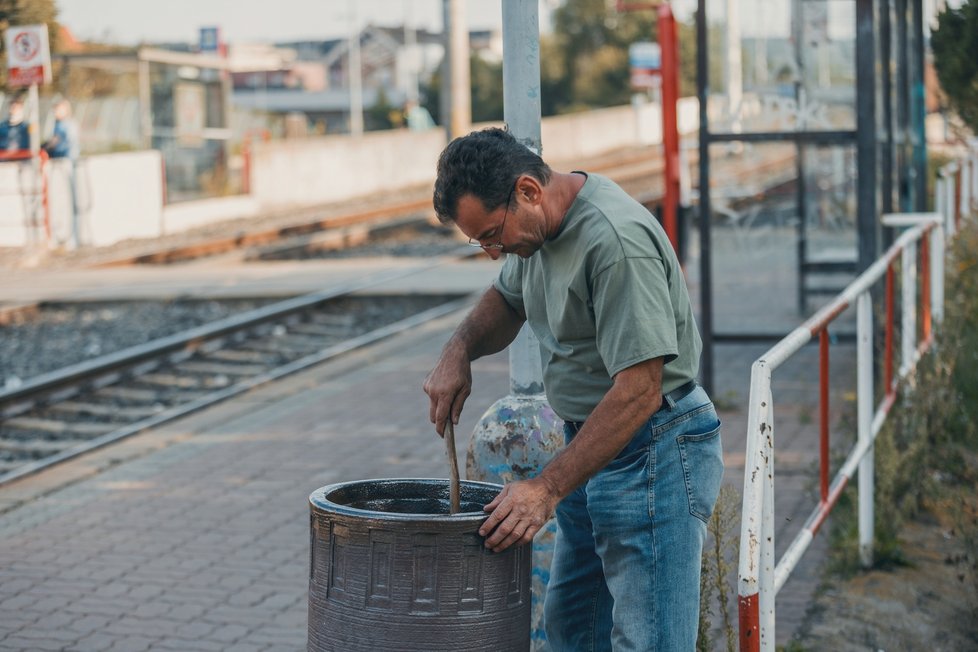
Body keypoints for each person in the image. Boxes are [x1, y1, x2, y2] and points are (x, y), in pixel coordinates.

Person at [423, 127, 723, 651]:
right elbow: (508, 299)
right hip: (591, 448)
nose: (494, 253)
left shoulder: (614, 243)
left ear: (528, 191)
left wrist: (545, 489)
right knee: (574, 631)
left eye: (493, 235)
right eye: (481, 243)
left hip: (653, 450)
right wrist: (459, 349)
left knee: (650, 641)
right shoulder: (534, 229)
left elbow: (638, 391)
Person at [42, 99, 81, 249]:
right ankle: (64, 238)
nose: (55, 112)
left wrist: (44, 147)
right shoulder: (60, 124)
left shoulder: (66, 125)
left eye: (58, 109)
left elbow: (58, 141)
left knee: (67, 200)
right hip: (60, 163)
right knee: (61, 201)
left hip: (65, 162)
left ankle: (70, 239)